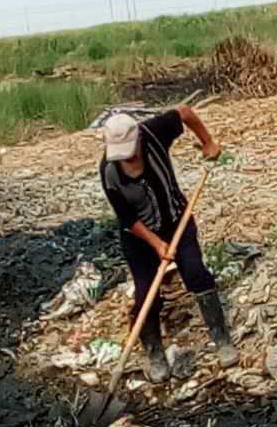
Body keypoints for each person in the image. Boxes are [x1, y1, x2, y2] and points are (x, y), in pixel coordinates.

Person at [99, 107, 239, 382]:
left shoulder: (154, 132)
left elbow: (184, 112)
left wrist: (208, 141)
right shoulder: (109, 171)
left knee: (196, 273)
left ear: (138, 139)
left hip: (177, 220)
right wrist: (157, 244)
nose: (127, 157)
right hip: (138, 236)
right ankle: (155, 353)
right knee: (146, 294)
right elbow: (127, 218)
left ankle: (221, 339)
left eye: (130, 151)